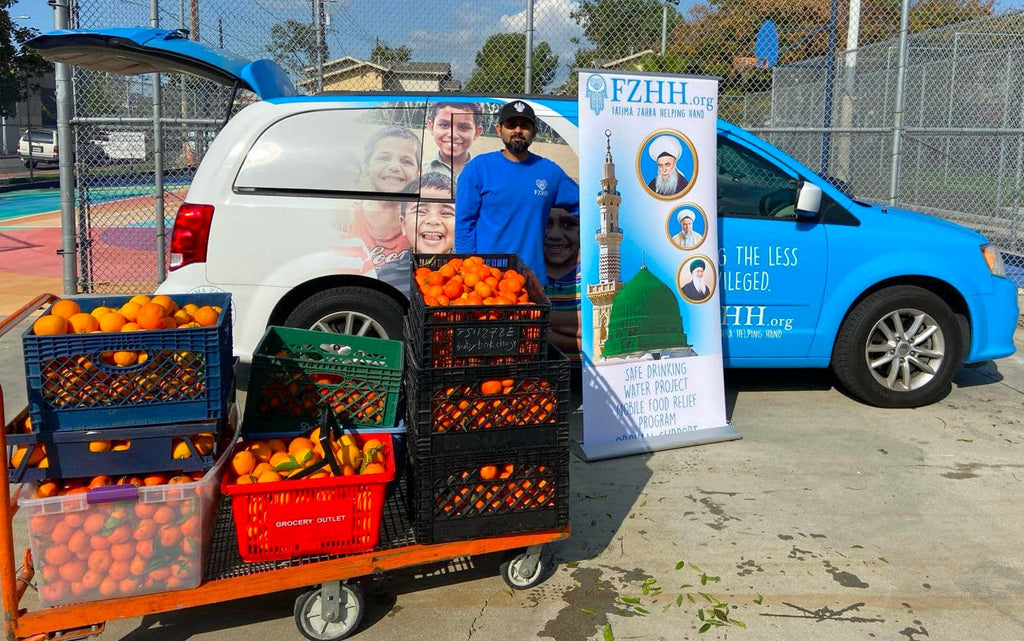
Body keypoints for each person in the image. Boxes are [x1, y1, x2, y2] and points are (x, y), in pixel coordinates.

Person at [455, 100, 580, 285]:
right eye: (511, 125)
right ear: (499, 130)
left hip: (532, 280)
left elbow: (589, 206)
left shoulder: (550, 172)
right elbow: (464, 225)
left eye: (525, 125)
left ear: (534, 132)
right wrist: (471, 271)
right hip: (487, 280)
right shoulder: (479, 168)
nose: (518, 130)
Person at [350, 125, 422, 264]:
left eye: (406, 161)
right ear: (366, 167)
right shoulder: (346, 216)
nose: (394, 167)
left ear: (419, 173)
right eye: (383, 158)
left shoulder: (422, 221)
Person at [377, 172, 455, 295]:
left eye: (446, 213)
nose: (433, 221)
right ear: (403, 225)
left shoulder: (470, 272)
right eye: (421, 211)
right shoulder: (385, 276)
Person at [544, 208, 582, 364]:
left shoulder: (595, 276)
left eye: (568, 224)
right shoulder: (522, 277)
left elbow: (603, 335)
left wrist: (540, 327)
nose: (555, 235)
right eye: (546, 223)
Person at [423, 102, 483, 181]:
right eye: (444, 125)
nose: (453, 135)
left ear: (477, 132)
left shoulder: (486, 175)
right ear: (431, 127)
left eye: (463, 127)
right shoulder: (419, 173)